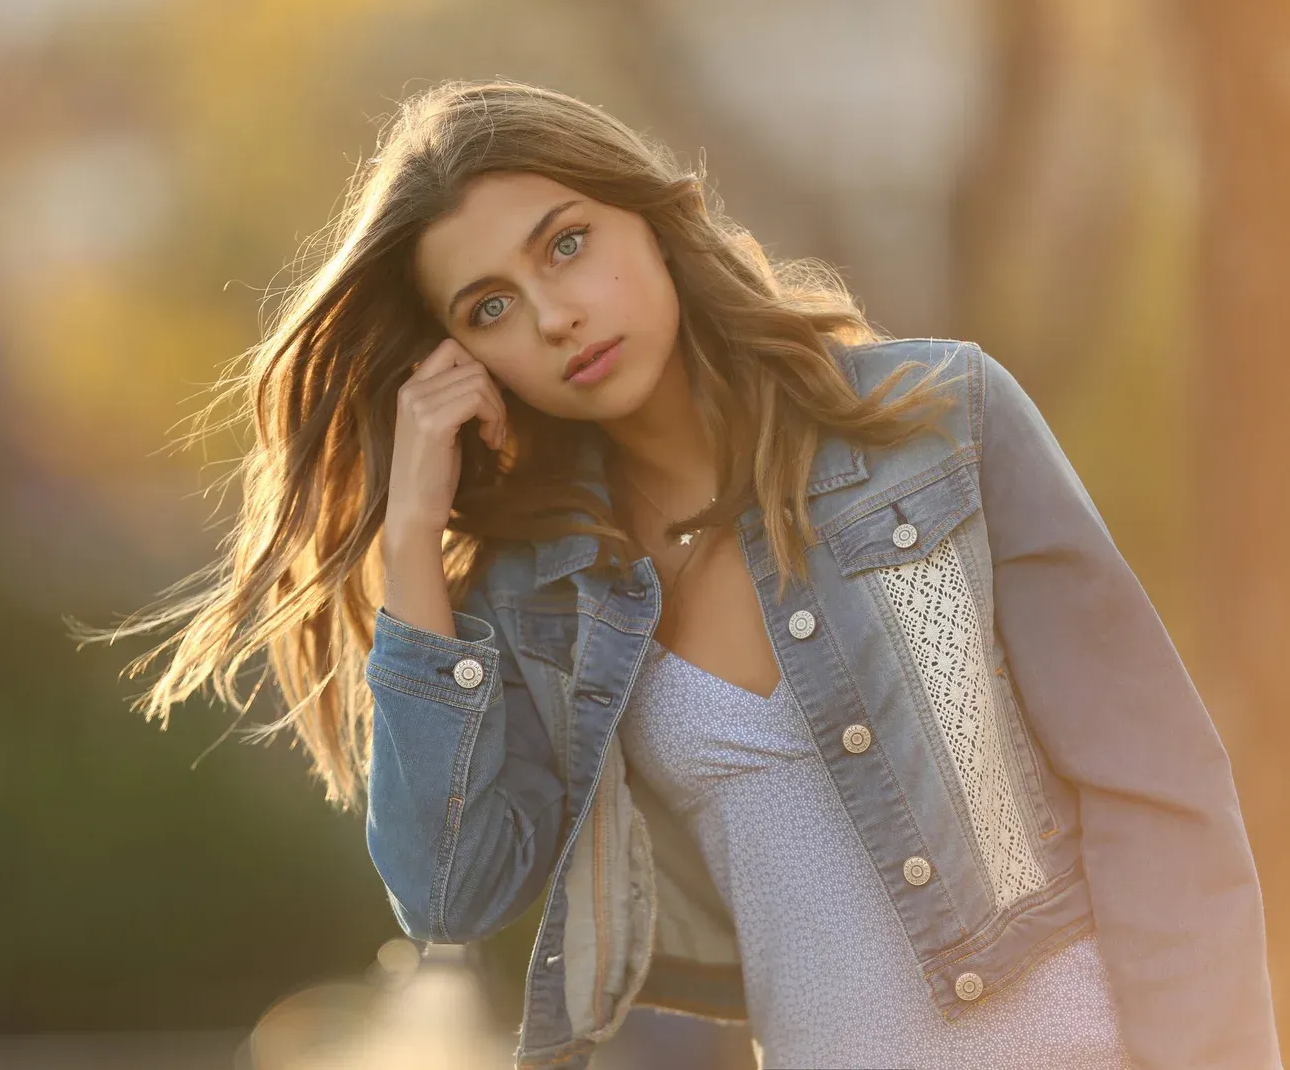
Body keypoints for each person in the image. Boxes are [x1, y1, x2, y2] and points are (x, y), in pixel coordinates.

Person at [91, 79, 1281, 1069]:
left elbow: (1160, 793)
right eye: (493, 305)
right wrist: (411, 534)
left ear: (651, 219)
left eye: (567, 243)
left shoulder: (940, 423)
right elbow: (452, 890)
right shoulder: (536, 590)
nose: (555, 315)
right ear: (467, 356)